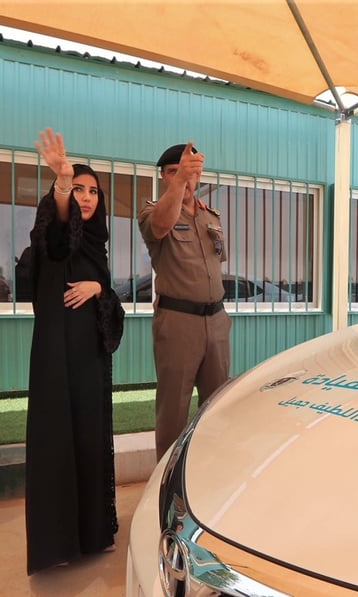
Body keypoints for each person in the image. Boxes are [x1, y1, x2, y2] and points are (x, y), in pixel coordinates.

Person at [25, 128, 125, 574]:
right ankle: (59, 542)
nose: (86, 197)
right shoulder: (55, 237)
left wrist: (99, 286)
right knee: (59, 440)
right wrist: (61, 182)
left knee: (89, 438)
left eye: (92, 191)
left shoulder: (97, 247)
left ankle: (92, 533)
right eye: (78, 190)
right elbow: (58, 237)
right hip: (56, 362)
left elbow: (113, 307)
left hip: (89, 361)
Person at [138, 141, 231, 459]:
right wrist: (179, 184)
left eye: (189, 172)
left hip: (216, 321)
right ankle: (166, 490)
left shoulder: (211, 217)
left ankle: (210, 477)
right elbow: (162, 226)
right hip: (179, 324)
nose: (184, 178)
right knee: (174, 413)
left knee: (218, 407)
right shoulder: (153, 211)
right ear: (164, 177)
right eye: (174, 172)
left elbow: (216, 264)